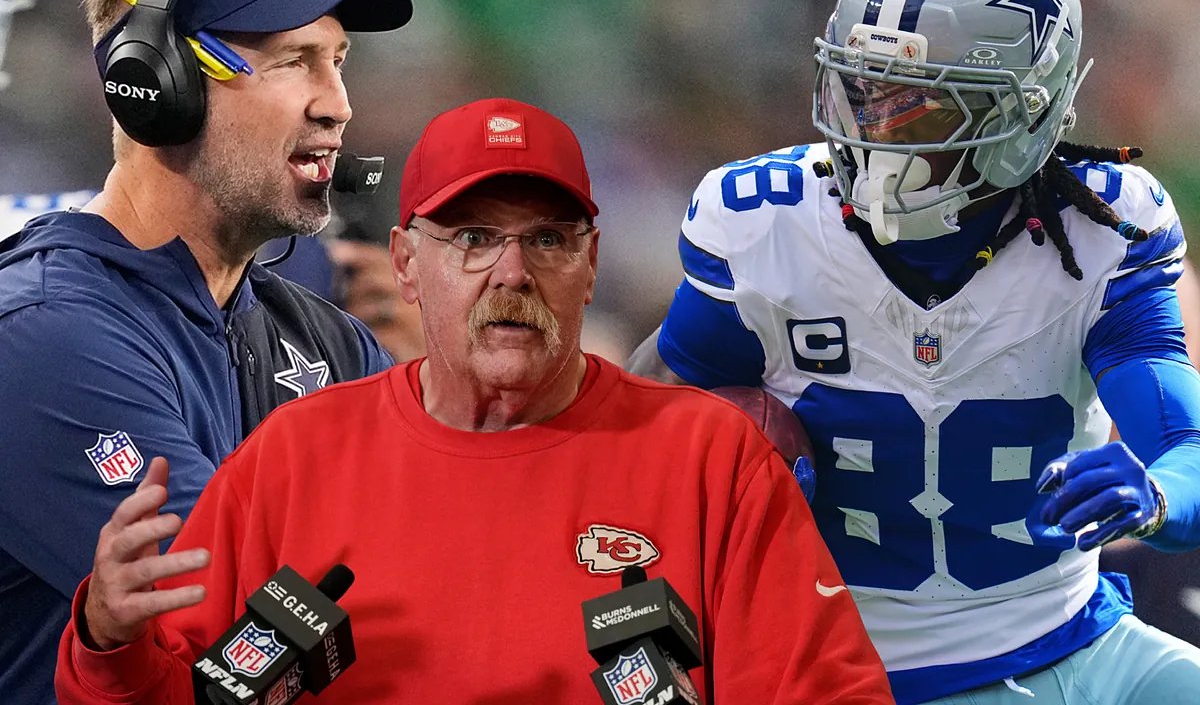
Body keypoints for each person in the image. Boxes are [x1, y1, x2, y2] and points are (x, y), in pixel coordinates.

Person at [54, 97, 894, 704]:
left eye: (547, 239)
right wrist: (109, 640)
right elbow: (172, 695)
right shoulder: (294, 456)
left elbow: (825, 691)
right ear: (407, 264)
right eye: (475, 239)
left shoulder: (710, 457)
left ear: (591, 264)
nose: (513, 272)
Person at [628, 0, 1200, 704]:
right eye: (863, 92)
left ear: (1025, 111)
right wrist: (647, 667)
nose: (876, 132)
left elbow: (1186, 446)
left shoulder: (1103, 231)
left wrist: (1161, 495)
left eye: (922, 107)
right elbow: (626, 454)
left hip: (1072, 640)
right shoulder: (764, 225)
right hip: (840, 672)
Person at [0, 0, 412, 701]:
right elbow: (254, 629)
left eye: (339, 60)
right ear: (155, 86)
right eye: (296, 61)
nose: (338, 105)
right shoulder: (41, 336)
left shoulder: (331, 340)